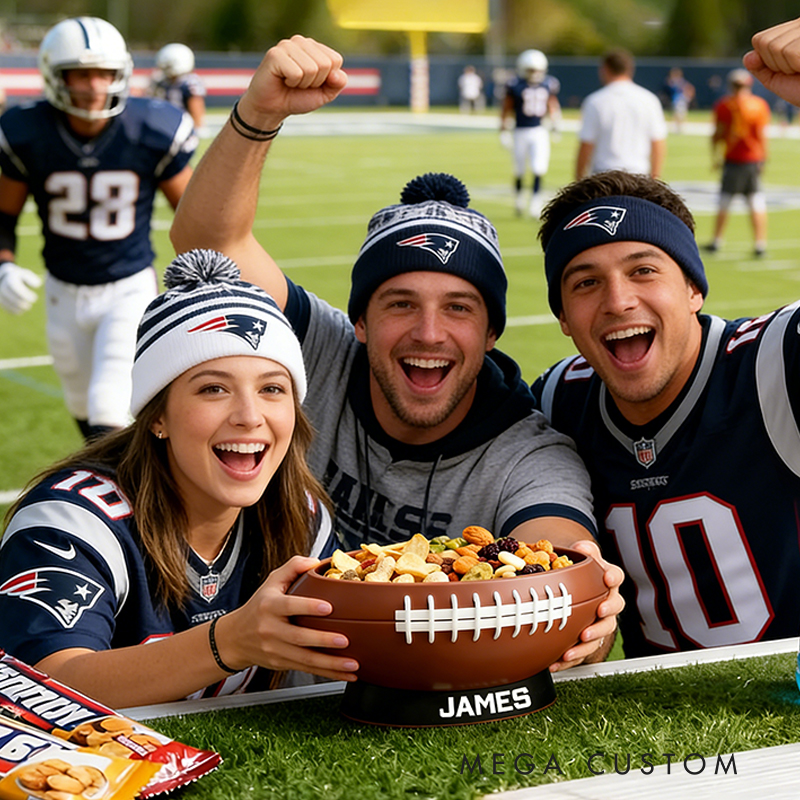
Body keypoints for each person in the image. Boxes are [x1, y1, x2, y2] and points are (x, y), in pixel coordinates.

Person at [170, 35, 624, 671]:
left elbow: (557, 559)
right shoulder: (320, 353)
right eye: (400, 303)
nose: (430, 333)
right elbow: (207, 243)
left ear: (492, 333)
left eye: (459, 308)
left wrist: (581, 611)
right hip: (269, 688)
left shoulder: (526, 451)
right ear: (358, 321)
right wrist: (258, 115)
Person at [0, 248, 353, 708]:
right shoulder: (71, 521)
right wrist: (228, 642)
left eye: (272, 389)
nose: (250, 416)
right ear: (157, 416)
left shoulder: (301, 515)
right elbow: (42, 686)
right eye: (213, 388)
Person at [532, 160, 800, 657]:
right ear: (564, 318)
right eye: (585, 282)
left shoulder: (774, 360)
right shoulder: (556, 401)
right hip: (657, 707)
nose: (618, 300)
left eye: (643, 270)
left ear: (693, 288)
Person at [0, 17, 197, 442]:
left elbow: (195, 214)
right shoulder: (26, 133)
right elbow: (3, 216)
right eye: (82, 74)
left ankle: (131, 504)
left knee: (109, 405)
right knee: (82, 409)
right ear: (56, 76)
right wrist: (3, 265)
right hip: (62, 291)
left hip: (128, 287)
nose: (94, 87)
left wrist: (202, 276)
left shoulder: (151, 128)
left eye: (105, 74)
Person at [706, 69, 770, 257]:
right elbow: (761, 136)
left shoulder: (725, 105)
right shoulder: (759, 105)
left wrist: (715, 156)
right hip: (753, 159)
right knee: (755, 201)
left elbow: (717, 134)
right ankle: (760, 244)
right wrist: (763, 158)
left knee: (725, 201)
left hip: (733, 160)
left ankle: (717, 240)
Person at [575, 49, 667, 180]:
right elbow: (658, 144)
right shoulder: (649, 100)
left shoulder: (595, 101)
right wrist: (655, 179)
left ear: (605, 69)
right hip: (638, 176)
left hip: (604, 177)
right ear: (630, 69)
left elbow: (586, 144)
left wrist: (579, 180)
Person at [500, 49, 561, 218]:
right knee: (519, 169)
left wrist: (555, 124)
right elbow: (506, 108)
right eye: (531, 69)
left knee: (538, 167)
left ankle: (535, 202)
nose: (534, 73)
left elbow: (552, 104)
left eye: (537, 70)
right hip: (519, 131)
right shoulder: (514, 85)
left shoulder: (549, 83)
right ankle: (519, 200)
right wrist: (503, 131)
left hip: (539, 131)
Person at [150, 42, 206, 131]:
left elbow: (196, 109)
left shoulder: (190, 83)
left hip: (183, 125)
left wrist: (197, 127)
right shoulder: (159, 81)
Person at [662, 67, 695, 133]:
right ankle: (677, 126)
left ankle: (681, 126)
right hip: (675, 100)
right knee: (676, 113)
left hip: (681, 100)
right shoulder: (672, 82)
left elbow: (689, 88)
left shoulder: (682, 82)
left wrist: (688, 97)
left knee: (681, 113)